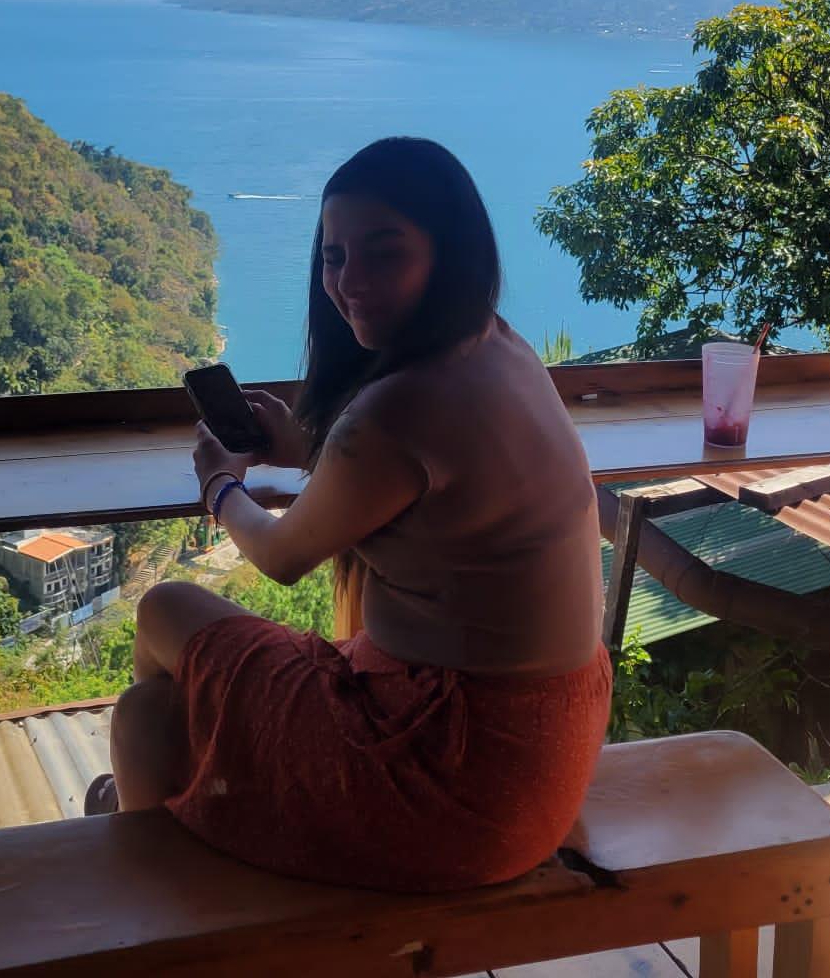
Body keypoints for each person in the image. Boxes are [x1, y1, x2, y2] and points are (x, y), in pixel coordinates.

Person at [88, 137, 610, 892]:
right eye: (334, 257)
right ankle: (153, 793)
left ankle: (153, 828)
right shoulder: (496, 346)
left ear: (447, 251)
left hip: (449, 782)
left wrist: (221, 486)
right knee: (146, 712)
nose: (349, 282)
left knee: (164, 610)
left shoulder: (398, 409)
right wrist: (307, 446)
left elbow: (282, 557)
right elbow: (424, 477)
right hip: (545, 752)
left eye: (383, 252)